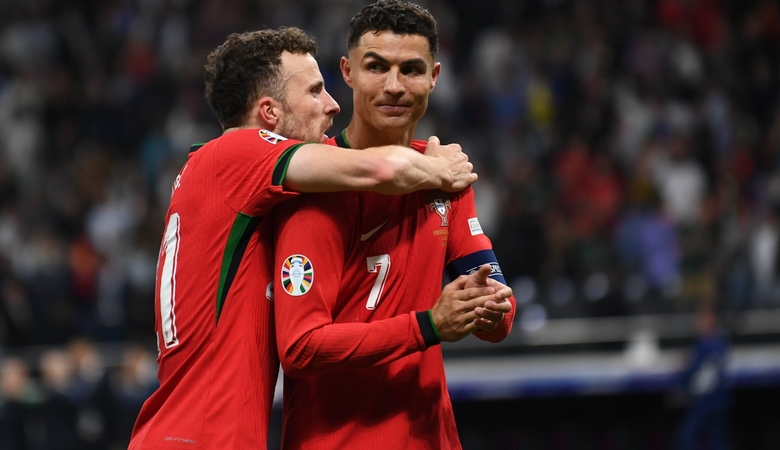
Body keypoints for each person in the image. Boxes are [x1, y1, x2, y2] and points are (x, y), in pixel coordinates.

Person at [128, 26, 479, 450]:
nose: (332, 105)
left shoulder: (224, 181)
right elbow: (380, 170)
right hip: (202, 435)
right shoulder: (236, 154)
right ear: (270, 114)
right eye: (315, 91)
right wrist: (442, 167)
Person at [272, 2, 517, 448]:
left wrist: (488, 304)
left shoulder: (447, 176)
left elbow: (498, 322)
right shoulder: (315, 185)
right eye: (376, 67)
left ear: (435, 77)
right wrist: (428, 325)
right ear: (346, 72)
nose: (394, 86)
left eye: (411, 69)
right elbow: (301, 348)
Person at [675, 303, 732, 450]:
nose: (698, 322)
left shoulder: (713, 344)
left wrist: (686, 391)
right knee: (716, 440)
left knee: (687, 438)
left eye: (702, 319)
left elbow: (705, 377)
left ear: (712, 319)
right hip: (713, 401)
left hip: (708, 401)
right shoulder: (709, 342)